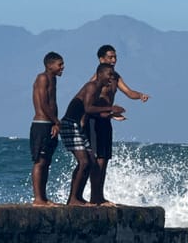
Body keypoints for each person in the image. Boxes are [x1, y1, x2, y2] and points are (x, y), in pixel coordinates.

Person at [86, 45, 151, 205]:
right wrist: (109, 113)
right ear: (101, 59)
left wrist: (140, 95)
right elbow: (89, 105)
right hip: (95, 120)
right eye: (110, 57)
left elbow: (128, 92)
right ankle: (94, 198)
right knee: (96, 160)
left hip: (107, 120)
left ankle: (99, 197)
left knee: (105, 159)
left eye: (115, 57)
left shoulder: (115, 77)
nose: (113, 60)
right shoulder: (96, 80)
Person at [59, 64, 125, 206]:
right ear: (100, 74)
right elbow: (88, 108)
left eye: (113, 75)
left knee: (91, 163)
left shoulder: (98, 89)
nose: (111, 78)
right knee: (84, 162)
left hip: (76, 126)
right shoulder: (92, 86)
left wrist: (112, 114)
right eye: (109, 74)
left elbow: (95, 111)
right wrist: (111, 107)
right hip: (70, 124)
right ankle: (73, 200)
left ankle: (80, 197)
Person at [30, 52, 64, 206]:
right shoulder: (42, 77)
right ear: (50, 65)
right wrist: (56, 122)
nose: (62, 67)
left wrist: (55, 123)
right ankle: (38, 199)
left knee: (46, 162)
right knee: (40, 161)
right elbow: (44, 103)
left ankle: (43, 198)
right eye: (60, 64)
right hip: (42, 124)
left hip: (50, 124)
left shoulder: (53, 79)